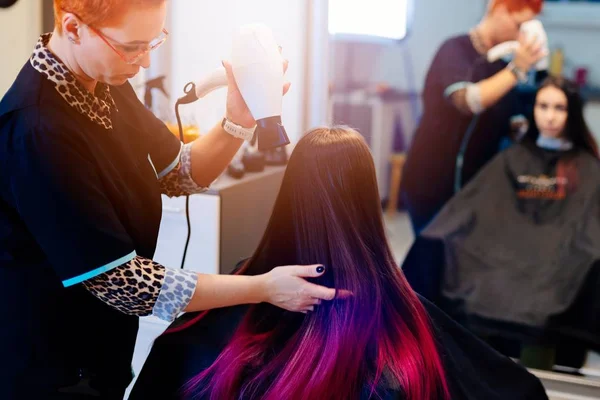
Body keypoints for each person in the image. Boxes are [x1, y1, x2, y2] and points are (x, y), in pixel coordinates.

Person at [0, 1, 339, 398]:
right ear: (73, 28)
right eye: (132, 47)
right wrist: (263, 287)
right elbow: (128, 284)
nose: (143, 61)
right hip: (50, 367)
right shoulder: (37, 130)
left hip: (104, 349)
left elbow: (179, 172)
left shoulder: (105, 82)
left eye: (153, 42)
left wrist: (239, 120)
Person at [130, 127, 548, 400]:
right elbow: (514, 388)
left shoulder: (247, 279)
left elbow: (163, 370)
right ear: (367, 200)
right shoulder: (400, 307)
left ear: (291, 193)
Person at [419, 76, 600, 369]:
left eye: (559, 107)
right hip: (506, 256)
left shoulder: (588, 168)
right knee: (450, 253)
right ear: (533, 109)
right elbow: (475, 208)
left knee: (546, 291)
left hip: (557, 265)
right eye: (543, 106)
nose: (550, 116)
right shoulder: (511, 159)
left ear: (573, 113)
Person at [401, 0, 546, 234]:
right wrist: (517, 69)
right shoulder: (454, 50)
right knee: (433, 264)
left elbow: (512, 123)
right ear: (497, 8)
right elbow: (468, 101)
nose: (520, 34)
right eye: (519, 25)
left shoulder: (502, 68)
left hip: (473, 190)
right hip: (430, 186)